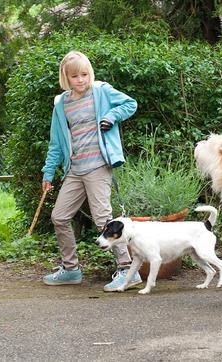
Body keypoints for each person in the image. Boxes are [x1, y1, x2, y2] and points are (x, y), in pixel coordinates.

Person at [40, 50, 141, 291]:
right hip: (74, 170)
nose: (81, 80)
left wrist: (111, 116)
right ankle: (71, 269)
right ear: (66, 78)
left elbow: (130, 104)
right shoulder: (61, 104)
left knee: (103, 219)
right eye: (75, 76)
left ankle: (127, 270)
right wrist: (48, 173)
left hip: (98, 166)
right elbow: (56, 143)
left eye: (85, 74)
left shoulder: (101, 91)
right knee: (59, 217)